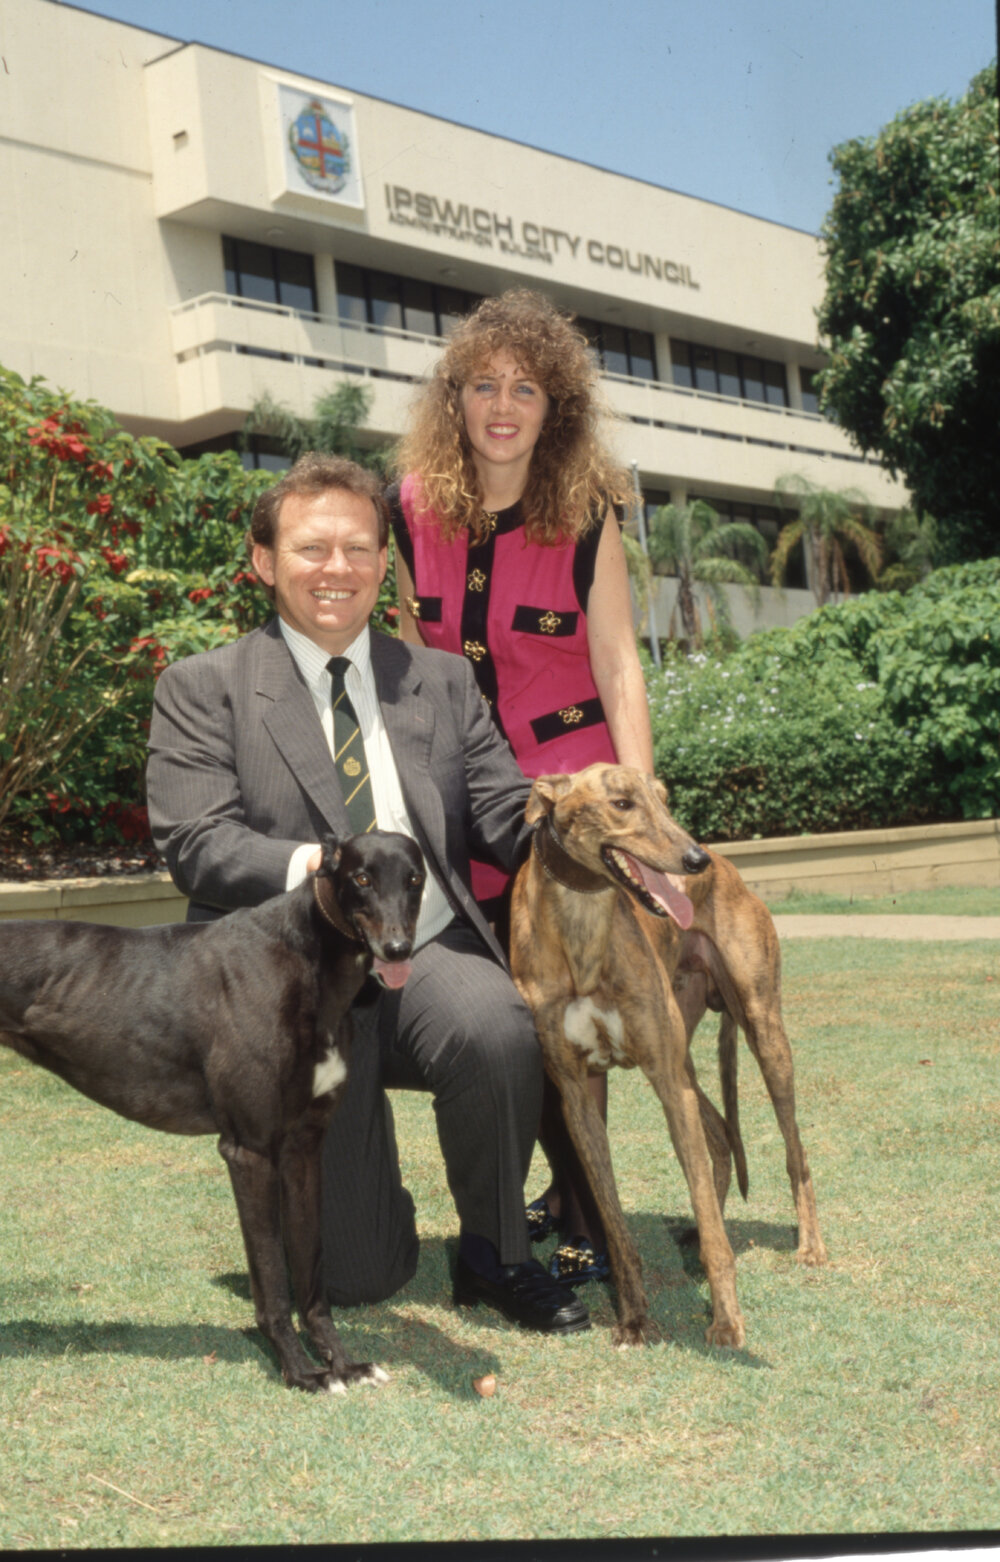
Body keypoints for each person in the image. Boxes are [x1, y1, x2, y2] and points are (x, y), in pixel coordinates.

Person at [145, 452, 589, 1336]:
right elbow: (198, 844)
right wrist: (332, 873)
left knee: (498, 1025)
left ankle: (495, 1251)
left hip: (424, 954)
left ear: (385, 561)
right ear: (265, 561)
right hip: (293, 981)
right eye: (312, 548)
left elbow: (502, 810)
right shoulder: (203, 688)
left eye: (358, 548)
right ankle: (354, 1203)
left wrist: (580, 825)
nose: (337, 568)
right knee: (358, 1277)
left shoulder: (442, 681)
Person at [386, 289, 655, 1284]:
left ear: (557, 408)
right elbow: (410, 651)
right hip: (467, 808)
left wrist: (639, 801)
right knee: (513, 1000)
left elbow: (618, 659)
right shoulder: (408, 505)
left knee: (574, 1002)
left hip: (570, 810)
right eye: (484, 384)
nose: (504, 405)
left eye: (527, 388)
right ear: (454, 398)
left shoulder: (586, 512)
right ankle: (558, 1178)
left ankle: (586, 1206)